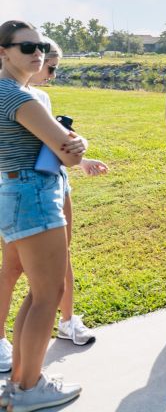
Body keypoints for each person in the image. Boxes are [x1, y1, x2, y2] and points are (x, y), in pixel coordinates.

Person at [0, 38, 107, 371]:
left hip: (53, 184)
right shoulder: (15, 96)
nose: (48, 70)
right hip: (26, 191)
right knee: (22, 275)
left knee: (58, 266)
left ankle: (65, 323)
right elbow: (64, 146)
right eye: (49, 66)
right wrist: (77, 146)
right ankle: (23, 376)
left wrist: (80, 157)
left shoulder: (36, 96)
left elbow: (54, 148)